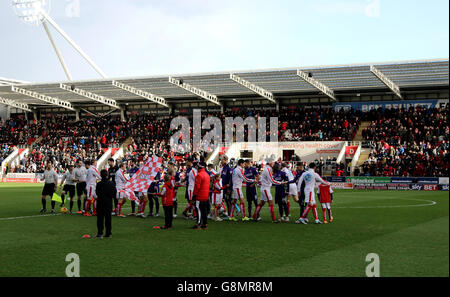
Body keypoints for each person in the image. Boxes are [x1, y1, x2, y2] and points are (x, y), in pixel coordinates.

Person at [95, 169, 115, 238]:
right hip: (108, 202)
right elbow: (114, 193)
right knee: (108, 219)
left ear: (100, 175)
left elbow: (97, 193)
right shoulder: (111, 183)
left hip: (100, 202)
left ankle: (100, 233)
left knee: (100, 219)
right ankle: (108, 233)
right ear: (107, 175)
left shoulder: (99, 184)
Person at [192, 161, 211, 229]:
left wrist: (194, 196)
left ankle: (198, 223)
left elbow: (197, 187)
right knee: (204, 210)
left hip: (200, 196)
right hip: (206, 195)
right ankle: (205, 223)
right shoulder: (207, 174)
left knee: (198, 209)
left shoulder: (199, 175)